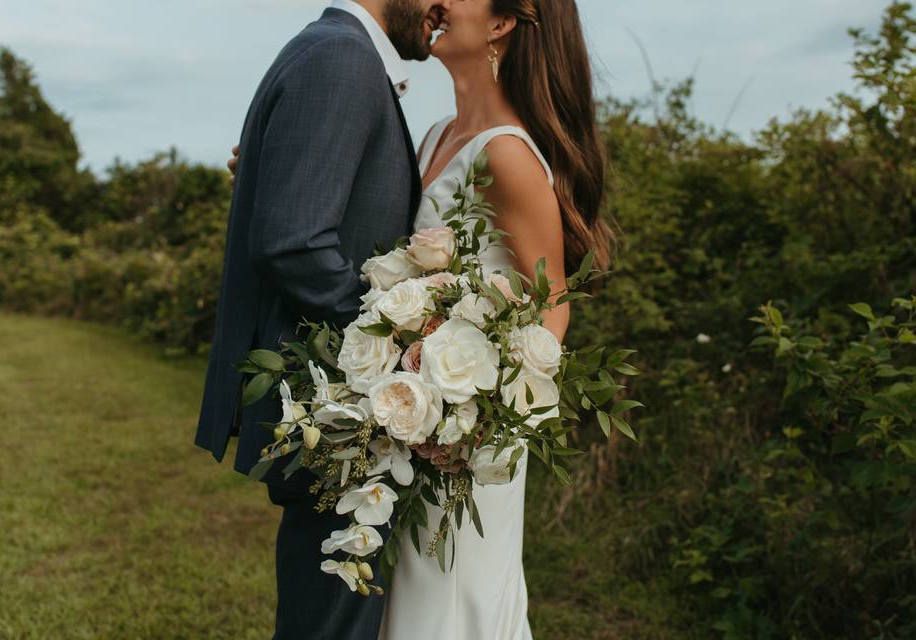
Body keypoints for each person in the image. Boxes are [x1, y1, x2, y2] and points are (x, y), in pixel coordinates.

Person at [226, 1, 615, 638]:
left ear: (500, 24)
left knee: (446, 606)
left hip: (460, 442)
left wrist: (460, 410)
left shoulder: (509, 156)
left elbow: (551, 312)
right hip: (410, 430)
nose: (436, 1)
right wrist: (278, 172)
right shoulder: (435, 136)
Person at [194, 2, 446, 639]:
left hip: (339, 414)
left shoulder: (334, 52)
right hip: (334, 412)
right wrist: (393, 341)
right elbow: (292, 241)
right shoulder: (341, 58)